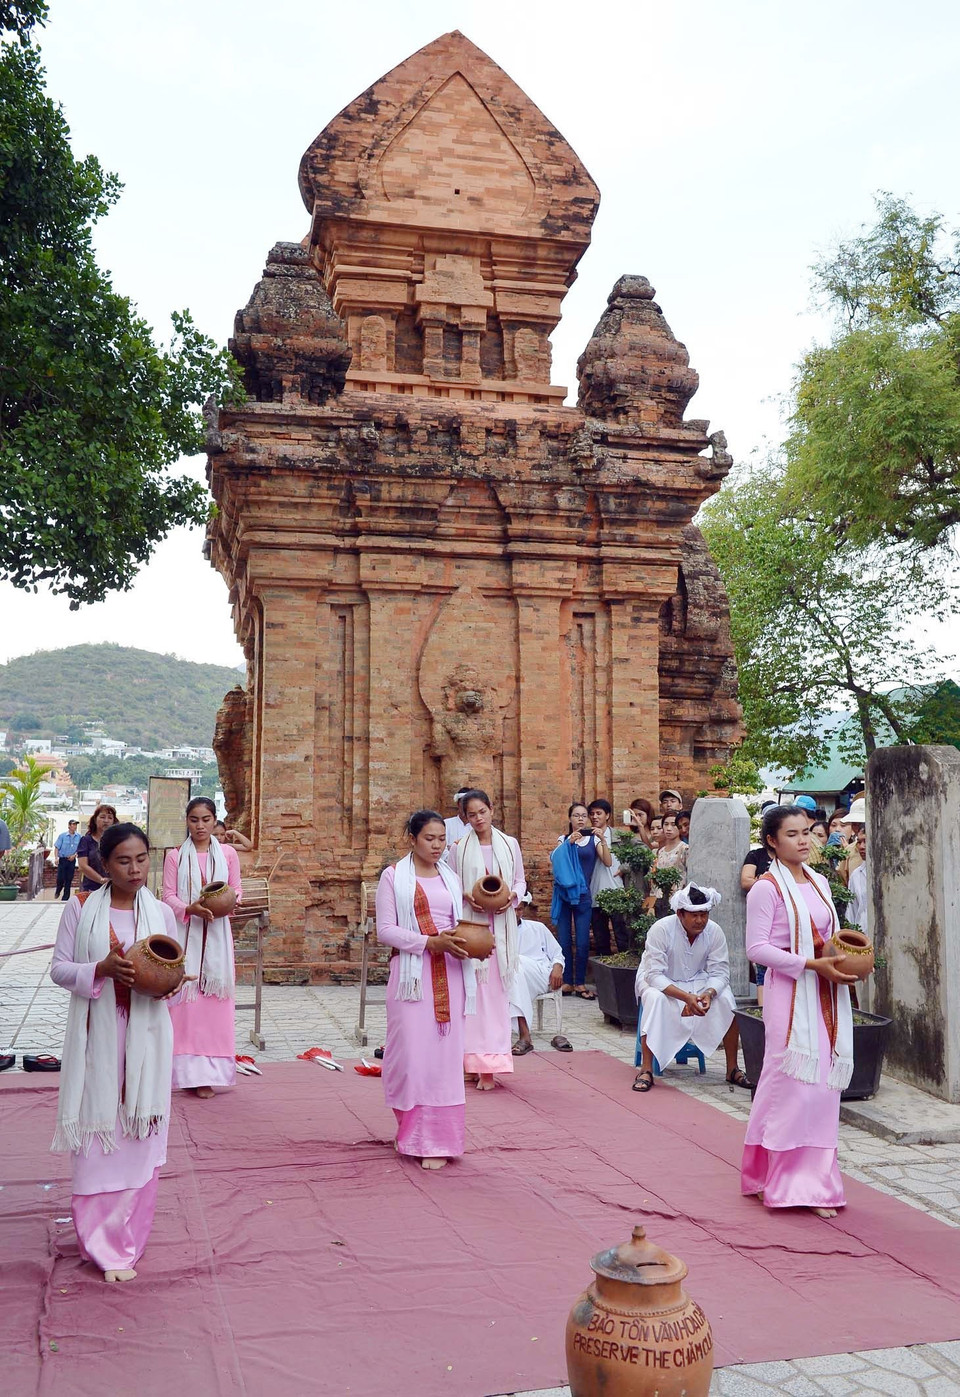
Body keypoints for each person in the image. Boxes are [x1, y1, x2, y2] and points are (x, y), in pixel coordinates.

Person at [50, 822, 186, 1282]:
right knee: (99, 1135)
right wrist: (100, 969)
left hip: (148, 1041)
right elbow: (60, 970)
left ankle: (125, 1239)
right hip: (99, 1041)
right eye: (123, 861)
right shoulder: (81, 906)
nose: (134, 869)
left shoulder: (162, 914)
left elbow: (175, 979)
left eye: (142, 859)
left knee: (138, 1138)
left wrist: (169, 988)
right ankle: (100, 1242)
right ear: (104, 865)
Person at [741, 805, 857, 1218]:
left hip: (825, 992)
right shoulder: (766, 888)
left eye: (807, 832)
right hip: (789, 993)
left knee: (823, 1086)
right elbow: (756, 949)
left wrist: (847, 960)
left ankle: (810, 1180)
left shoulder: (821, 881)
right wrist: (809, 964)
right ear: (772, 841)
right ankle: (779, 1180)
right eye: (792, 834)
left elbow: (829, 937)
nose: (803, 840)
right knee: (788, 1084)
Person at [375, 810, 474, 1169]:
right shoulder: (392, 877)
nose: (436, 845)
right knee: (412, 1058)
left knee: (445, 1061)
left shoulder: (450, 876)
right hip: (411, 977)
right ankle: (413, 1135)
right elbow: (385, 930)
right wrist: (428, 942)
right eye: (429, 839)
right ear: (413, 839)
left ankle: (439, 1140)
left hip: (450, 972)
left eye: (441, 839)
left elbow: (459, 921)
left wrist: (465, 941)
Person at [162, 796, 243, 1099]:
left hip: (218, 941)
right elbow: (167, 895)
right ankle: (186, 1074)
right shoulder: (175, 857)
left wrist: (231, 901)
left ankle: (209, 1075)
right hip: (187, 938)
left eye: (206, 819)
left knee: (214, 1011)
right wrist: (189, 908)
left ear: (214, 821)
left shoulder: (228, 854)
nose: (200, 825)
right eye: (194, 819)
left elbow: (237, 888)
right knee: (186, 1010)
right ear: (187, 821)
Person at [633, 884, 745, 1092]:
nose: (700, 920)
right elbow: (654, 974)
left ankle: (732, 1068)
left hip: (697, 980)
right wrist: (686, 997)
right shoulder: (661, 929)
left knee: (727, 999)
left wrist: (709, 994)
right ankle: (646, 1069)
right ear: (680, 914)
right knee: (654, 999)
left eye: (704, 915)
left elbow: (720, 972)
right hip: (658, 980)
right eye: (694, 915)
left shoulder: (714, 931)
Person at [448, 788, 525, 1090]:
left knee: (494, 1000)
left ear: (492, 810)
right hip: (473, 929)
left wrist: (513, 897)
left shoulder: (510, 844)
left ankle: (490, 1067)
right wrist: (466, 893)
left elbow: (519, 879)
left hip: (501, 931)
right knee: (470, 997)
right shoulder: (458, 849)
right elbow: (451, 883)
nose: (478, 818)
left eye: (482, 811)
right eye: (471, 814)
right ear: (464, 818)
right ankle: (470, 1061)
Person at [550, 803, 599, 1000]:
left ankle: (580, 982)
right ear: (569, 818)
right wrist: (568, 842)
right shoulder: (563, 840)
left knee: (582, 941)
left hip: (583, 895)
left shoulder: (593, 839)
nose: (580, 819)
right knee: (563, 940)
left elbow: (607, 861)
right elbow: (554, 859)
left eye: (583, 815)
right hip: (564, 895)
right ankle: (567, 981)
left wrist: (602, 840)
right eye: (576, 815)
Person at [509, 896, 567, 1056]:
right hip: (515, 977)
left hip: (541, 974)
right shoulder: (498, 932)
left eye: (519, 909)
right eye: (512, 909)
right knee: (513, 971)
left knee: (515, 963)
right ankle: (523, 1033)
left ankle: (525, 1036)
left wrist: (557, 967)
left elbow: (557, 953)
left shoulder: (538, 928)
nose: (516, 913)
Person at [587, 799, 626, 955]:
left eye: (599, 813)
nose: (595, 817)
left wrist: (625, 867)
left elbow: (643, 853)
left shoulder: (619, 836)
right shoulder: (587, 837)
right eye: (592, 814)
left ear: (607, 815)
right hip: (595, 893)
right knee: (601, 939)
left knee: (622, 935)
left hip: (617, 890)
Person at [77, 805, 118, 891]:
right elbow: (83, 866)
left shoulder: (117, 842)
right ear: (95, 819)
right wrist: (101, 880)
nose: (106, 821)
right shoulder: (86, 840)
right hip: (91, 889)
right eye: (102, 817)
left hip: (114, 889)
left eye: (110, 818)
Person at [54, 820, 81, 901]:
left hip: (71, 861)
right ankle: (58, 890)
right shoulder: (62, 836)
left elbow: (80, 849)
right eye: (73, 824)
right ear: (69, 826)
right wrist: (56, 858)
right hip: (62, 860)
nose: (75, 826)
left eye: (76, 825)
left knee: (69, 879)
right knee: (60, 878)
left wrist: (75, 855)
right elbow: (57, 847)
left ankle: (65, 898)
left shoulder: (79, 837)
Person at [847, 829, 868, 932]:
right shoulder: (856, 875)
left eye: (865, 841)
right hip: (862, 937)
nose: (861, 847)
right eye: (859, 842)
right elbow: (851, 912)